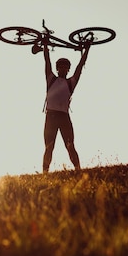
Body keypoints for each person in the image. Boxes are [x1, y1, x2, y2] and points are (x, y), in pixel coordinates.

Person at [41, 38, 91, 173]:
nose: (63, 69)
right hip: (51, 116)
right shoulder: (51, 78)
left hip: (64, 117)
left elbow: (80, 67)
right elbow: (47, 61)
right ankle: (45, 173)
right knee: (49, 147)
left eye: (65, 67)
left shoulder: (71, 83)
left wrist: (87, 50)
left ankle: (78, 170)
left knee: (70, 145)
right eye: (60, 67)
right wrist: (45, 47)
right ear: (57, 69)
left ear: (68, 69)